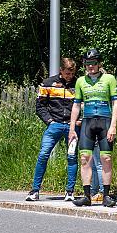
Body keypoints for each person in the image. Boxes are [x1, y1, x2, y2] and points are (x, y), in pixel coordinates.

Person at [68, 49, 117, 207]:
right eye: (87, 63)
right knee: (85, 159)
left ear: (99, 64)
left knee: (106, 158)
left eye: (94, 63)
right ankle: (87, 196)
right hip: (87, 123)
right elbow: (76, 105)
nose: (91, 66)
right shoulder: (80, 81)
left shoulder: (109, 79)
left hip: (105, 121)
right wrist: (72, 128)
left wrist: (113, 125)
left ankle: (106, 196)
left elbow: (116, 102)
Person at [26, 58, 78, 201]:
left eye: (72, 73)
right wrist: (49, 120)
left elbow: (82, 104)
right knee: (43, 154)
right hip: (54, 125)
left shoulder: (78, 83)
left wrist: (78, 121)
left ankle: (70, 191)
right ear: (61, 70)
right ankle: (35, 190)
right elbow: (40, 105)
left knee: (72, 157)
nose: (70, 76)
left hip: (71, 126)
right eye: (67, 73)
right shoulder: (48, 83)